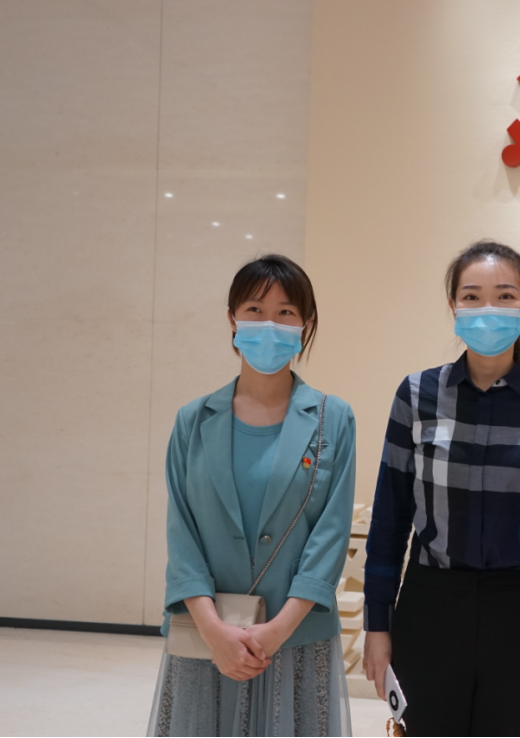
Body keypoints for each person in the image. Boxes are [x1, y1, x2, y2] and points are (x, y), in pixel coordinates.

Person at [361, 240, 520, 737]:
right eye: (472, 296)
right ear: (453, 307)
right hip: (430, 606)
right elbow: (390, 520)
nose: (488, 308)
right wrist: (377, 625)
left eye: (505, 296)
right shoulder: (416, 394)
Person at [149, 254, 356, 737]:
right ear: (232, 319)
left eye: (286, 312)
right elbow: (182, 534)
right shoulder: (193, 420)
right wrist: (214, 630)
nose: (270, 324)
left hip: (296, 637)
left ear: (306, 325)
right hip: (207, 638)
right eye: (255, 310)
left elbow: (330, 535)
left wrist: (277, 629)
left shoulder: (333, 419)